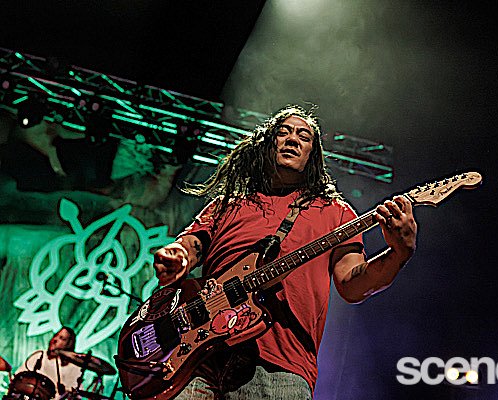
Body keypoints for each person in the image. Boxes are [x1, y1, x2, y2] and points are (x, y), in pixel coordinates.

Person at [152, 104, 417, 399]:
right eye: (283, 132)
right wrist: (178, 255)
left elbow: (352, 285)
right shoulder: (226, 204)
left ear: (312, 155)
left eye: (304, 136)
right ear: (267, 144)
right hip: (195, 360)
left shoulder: (336, 213)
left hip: (279, 368)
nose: (292, 139)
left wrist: (398, 252)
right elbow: (191, 244)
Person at [13, 327, 81, 399]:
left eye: (62, 338)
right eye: (55, 335)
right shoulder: (39, 355)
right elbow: (18, 377)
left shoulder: (74, 367)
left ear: (69, 344)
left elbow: (75, 394)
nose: (55, 339)